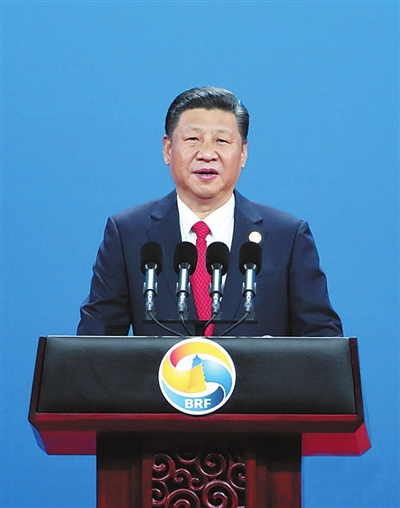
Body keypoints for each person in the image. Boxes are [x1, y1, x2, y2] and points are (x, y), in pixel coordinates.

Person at [77, 86, 342, 338]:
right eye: (193, 139)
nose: (207, 154)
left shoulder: (287, 236)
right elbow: (95, 342)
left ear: (243, 153)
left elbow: (321, 340)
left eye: (221, 141)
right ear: (168, 149)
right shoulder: (128, 233)